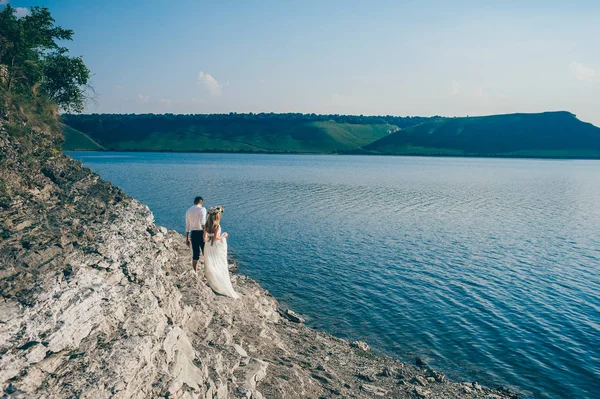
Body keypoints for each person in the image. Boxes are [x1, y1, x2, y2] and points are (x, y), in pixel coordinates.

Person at [203, 206, 239, 298]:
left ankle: (213, 282)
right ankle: (221, 283)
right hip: (215, 246)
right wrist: (223, 236)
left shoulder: (206, 225)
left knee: (210, 263)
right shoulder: (217, 226)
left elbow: (204, 238)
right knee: (219, 264)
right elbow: (215, 239)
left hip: (207, 246)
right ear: (217, 216)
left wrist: (209, 239)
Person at [185, 196, 207, 273]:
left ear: (194, 202)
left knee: (195, 254)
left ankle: (195, 272)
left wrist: (187, 238)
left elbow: (187, 225)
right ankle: (208, 273)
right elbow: (203, 223)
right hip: (201, 232)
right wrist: (205, 234)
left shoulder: (188, 211)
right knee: (206, 254)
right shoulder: (202, 209)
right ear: (201, 202)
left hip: (193, 234)